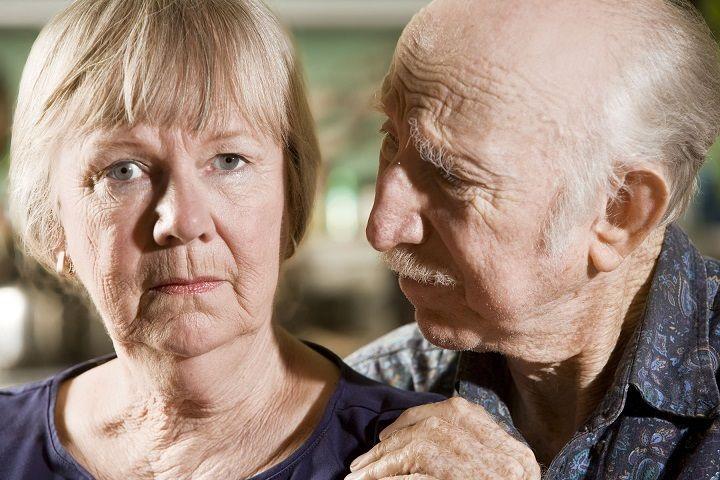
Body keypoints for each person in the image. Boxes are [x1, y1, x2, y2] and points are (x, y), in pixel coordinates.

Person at [0, 1, 441, 479]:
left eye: (229, 160)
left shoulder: (417, 458)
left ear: (291, 196)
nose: (183, 221)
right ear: (53, 222)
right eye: (123, 171)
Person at [345, 0, 720, 479]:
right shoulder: (374, 394)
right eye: (390, 138)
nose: (382, 228)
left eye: (452, 176)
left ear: (619, 210)